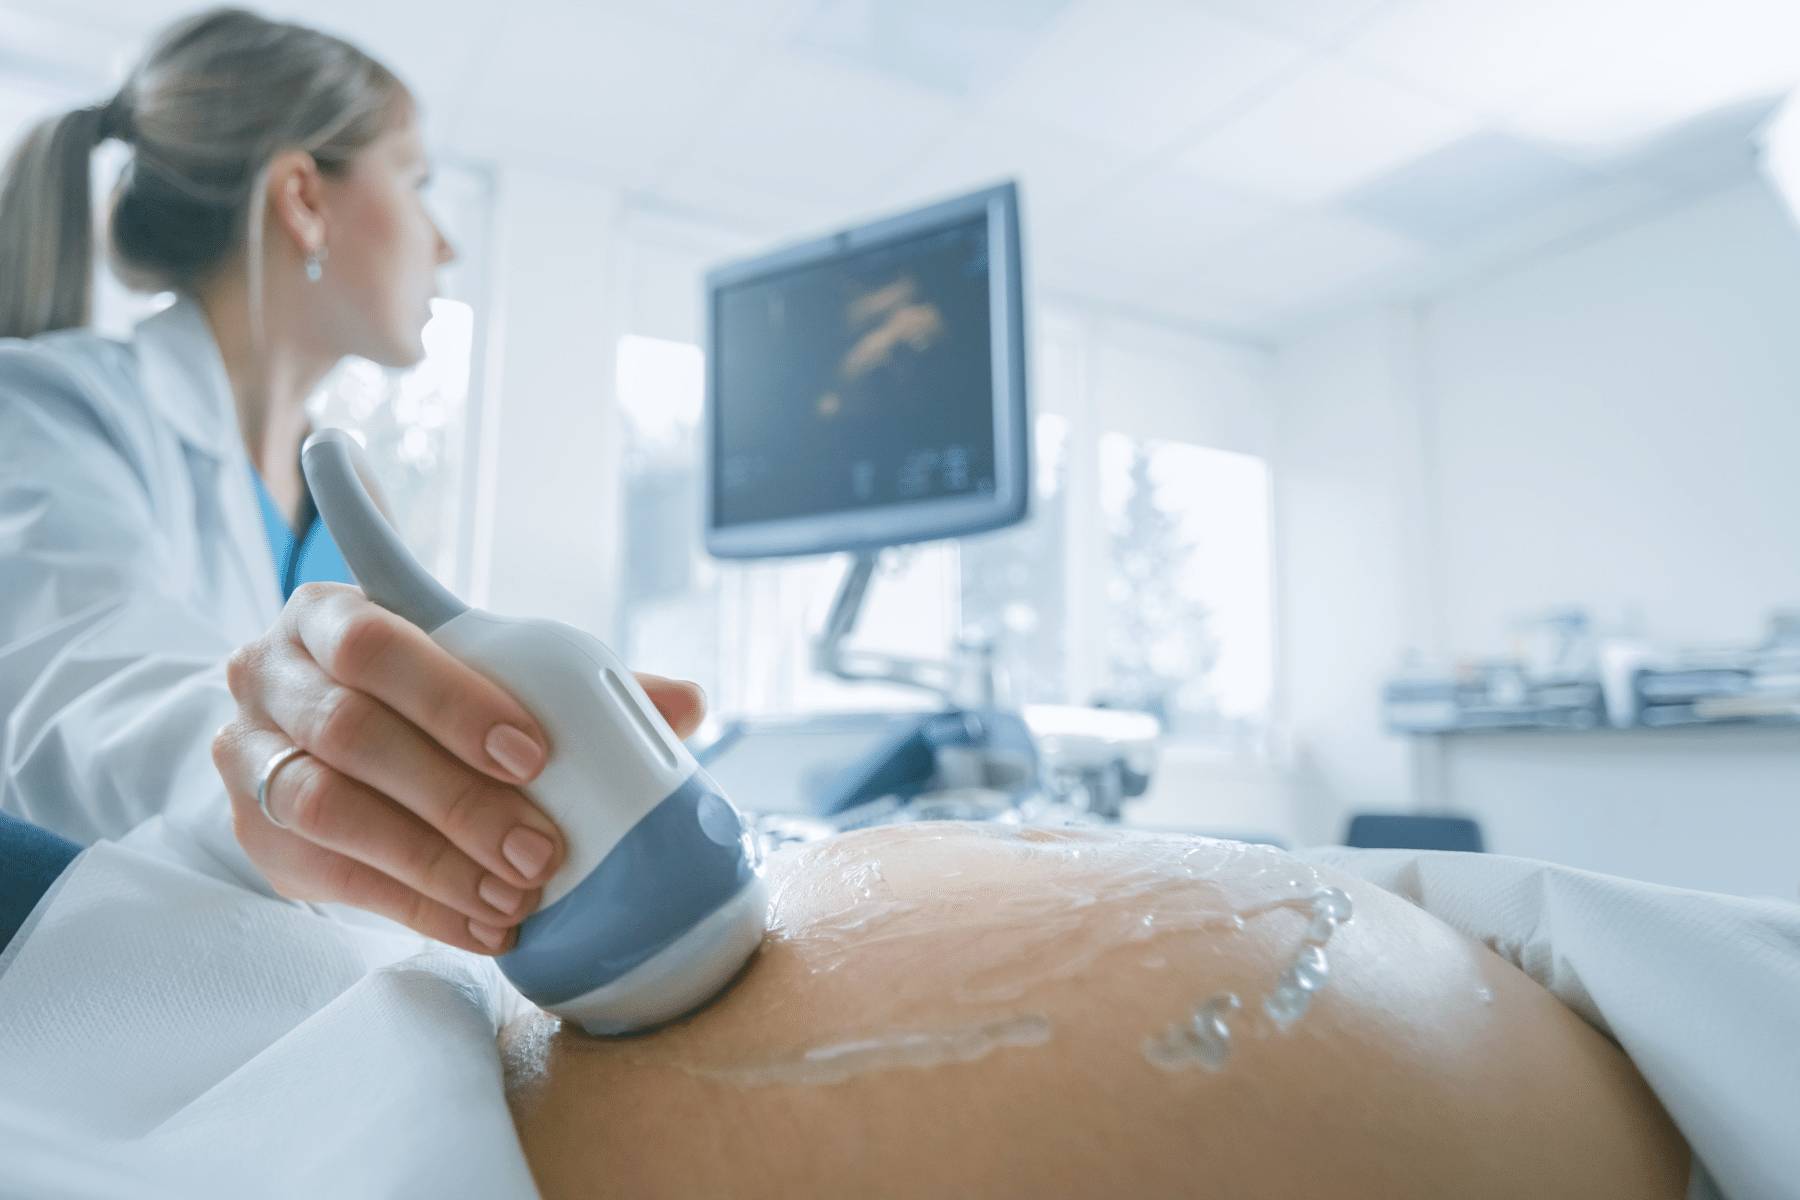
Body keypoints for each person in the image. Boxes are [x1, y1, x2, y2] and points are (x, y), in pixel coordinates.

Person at [0, 7, 702, 956]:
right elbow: (82, 699)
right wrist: (290, 770)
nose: (444, 244)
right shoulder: (49, 410)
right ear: (303, 198)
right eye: (414, 181)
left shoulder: (338, 503)